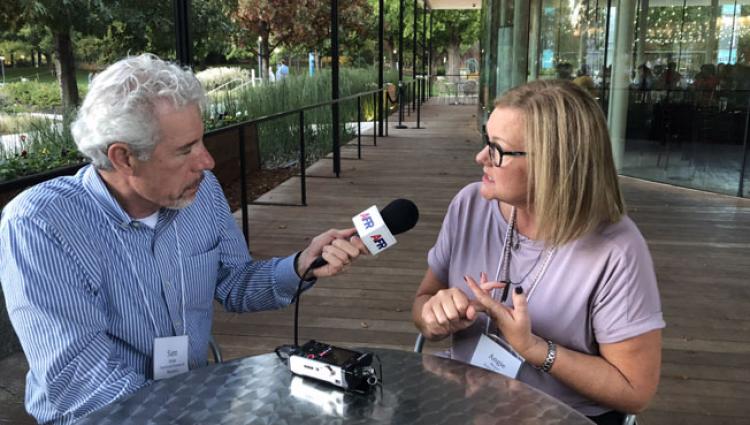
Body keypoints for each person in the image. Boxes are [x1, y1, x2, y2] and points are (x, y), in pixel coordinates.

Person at [0, 53, 367, 424]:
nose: (206, 161)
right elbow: (82, 382)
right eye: (185, 149)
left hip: (191, 401)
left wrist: (302, 264)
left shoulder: (200, 191)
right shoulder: (40, 224)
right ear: (123, 157)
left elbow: (234, 282)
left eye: (201, 141)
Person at [412, 80, 664, 425]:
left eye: (497, 149)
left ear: (553, 164)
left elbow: (635, 390)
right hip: (465, 405)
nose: (481, 157)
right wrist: (434, 317)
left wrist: (534, 349)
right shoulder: (469, 205)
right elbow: (424, 299)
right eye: (486, 142)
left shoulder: (616, 250)